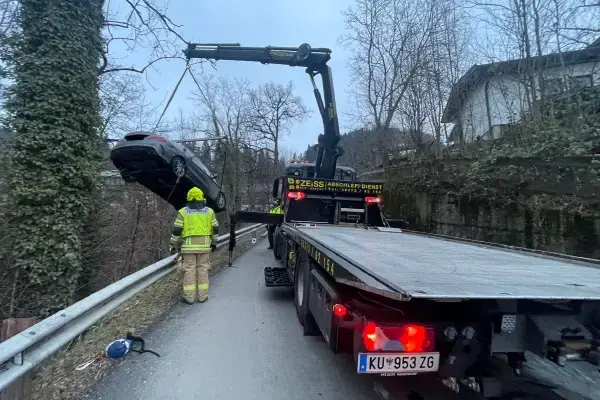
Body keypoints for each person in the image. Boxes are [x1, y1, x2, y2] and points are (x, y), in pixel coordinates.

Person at [169, 187, 219, 304]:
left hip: (188, 248)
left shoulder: (182, 212)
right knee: (203, 270)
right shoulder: (209, 212)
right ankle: (203, 297)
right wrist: (214, 242)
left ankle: (189, 298)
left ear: (189, 198)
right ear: (202, 197)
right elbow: (215, 228)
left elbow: (177, 231)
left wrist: (172, 245)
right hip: (204, 247)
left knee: (189, 271)